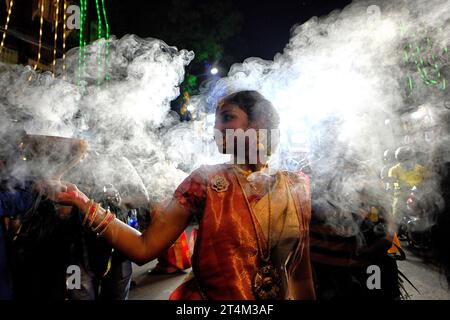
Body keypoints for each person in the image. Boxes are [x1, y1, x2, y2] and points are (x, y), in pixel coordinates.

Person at [41, 90, 315, 300]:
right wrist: (82, 200)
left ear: (259, 123)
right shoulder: (205, 180)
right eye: (217, 121)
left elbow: (300, 274)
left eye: (228, 118)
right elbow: (143, 248)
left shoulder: (296, 185)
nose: (216, 129)